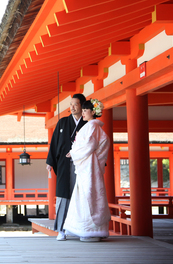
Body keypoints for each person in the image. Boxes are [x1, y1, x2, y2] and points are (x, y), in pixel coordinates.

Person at [63, 98, 111, 242]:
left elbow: (89, 146)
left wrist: (74, 152)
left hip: (89, 167)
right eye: (82, 110)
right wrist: (75, 150)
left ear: (92, 112)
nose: (83, 113)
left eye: (85, 110)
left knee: (88, 195)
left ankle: (90, 231)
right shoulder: (93, 126)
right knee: (90, 195)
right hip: (89, 166)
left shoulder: (92, 126)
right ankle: (90, 230)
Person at [46, 93, 87, 241]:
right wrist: (50, 161)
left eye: (75, 104)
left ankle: (82, 229)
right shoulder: (62, 123)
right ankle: (61, 229)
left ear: (82, 105)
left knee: (82, 196)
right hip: (64, 164)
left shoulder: (88, 123)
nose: (72, 107)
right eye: (71, 104)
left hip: (82, 165)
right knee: (63, 196)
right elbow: (54, 143)